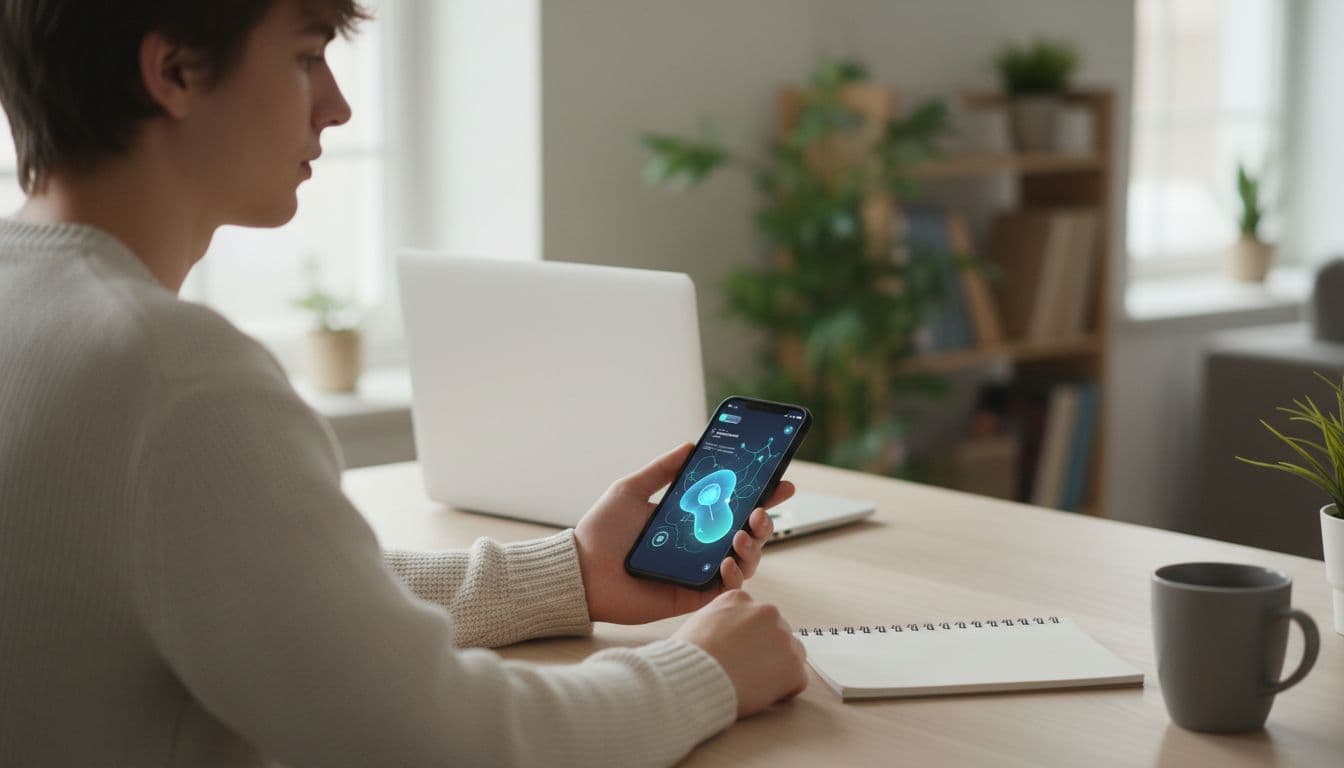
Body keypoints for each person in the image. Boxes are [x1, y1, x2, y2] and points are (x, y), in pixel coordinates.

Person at [0, 1, 809, 765]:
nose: (339, 105)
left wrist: (566, 573)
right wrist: (705, 673)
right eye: (308, 55)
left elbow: (283, 597)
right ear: (173, 70)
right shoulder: (175, 383)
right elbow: (454, 747)